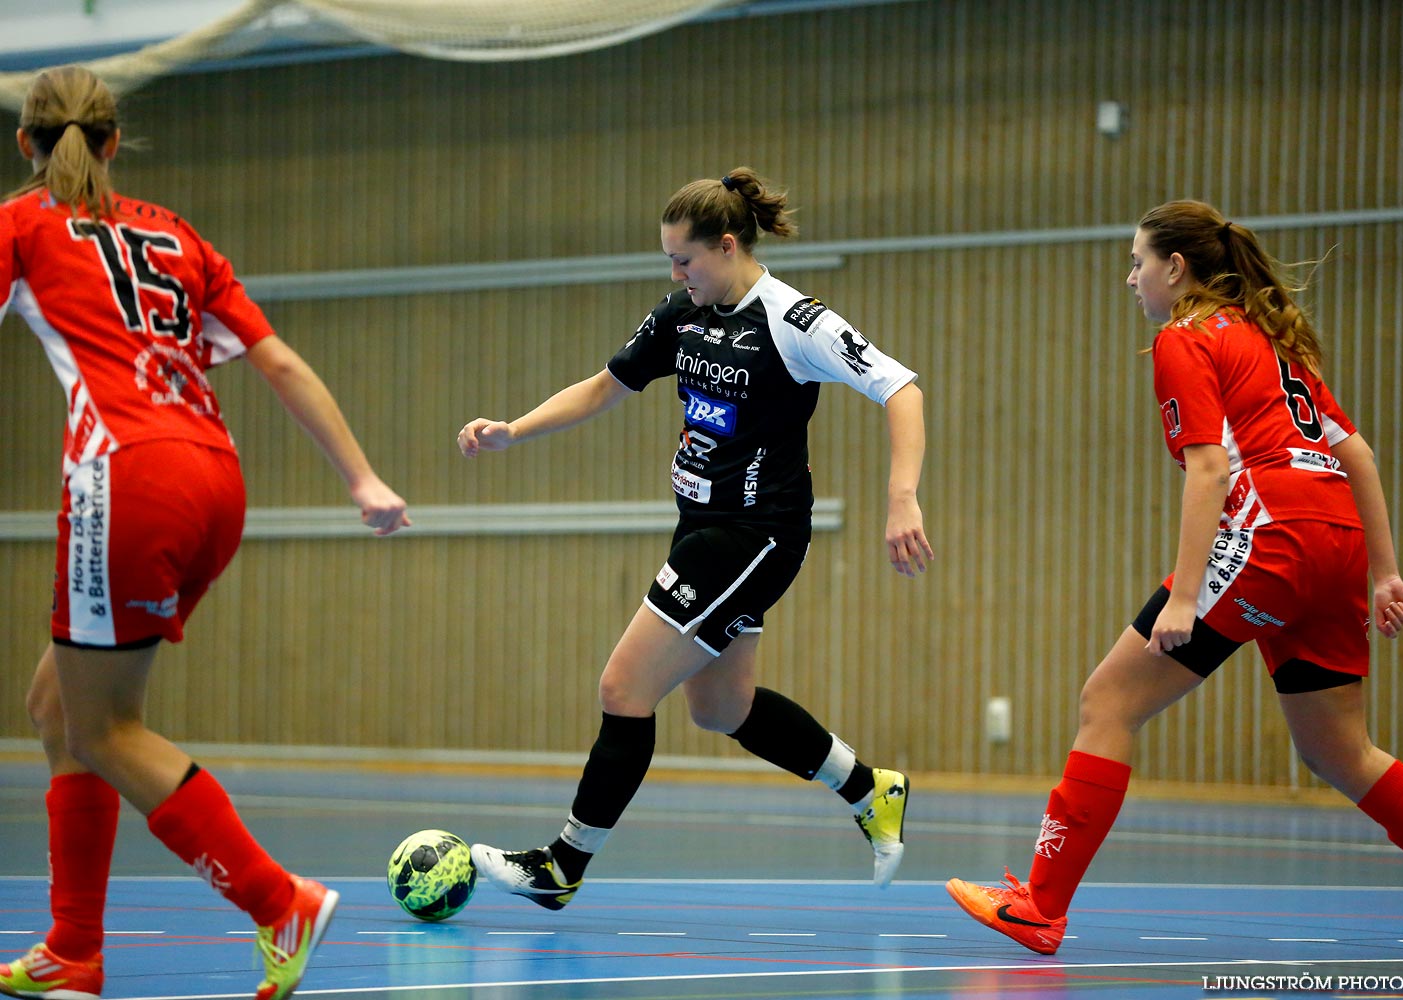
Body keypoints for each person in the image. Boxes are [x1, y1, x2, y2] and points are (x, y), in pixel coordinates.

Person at [946, 199, 1403, 958]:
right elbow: (1358, 455)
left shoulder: (1185, 336)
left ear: (1176, 270)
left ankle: (1039, 905)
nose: (1130, 278)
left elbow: (1209, 468)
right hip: (1336, 539)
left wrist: (1183, 594)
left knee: (1107, 701)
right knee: (1340, 751)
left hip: (1272, 536)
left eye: (1137, 262)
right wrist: (1384, 571)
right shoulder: (1276, 345)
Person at [0, 66, 410, 1000]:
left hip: (125, 477)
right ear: (112, 142)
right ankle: (72, 950)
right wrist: (362, 477)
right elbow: (278, 359)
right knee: (59, 708)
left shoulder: (19, 223)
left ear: (28, 145)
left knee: (103, 725)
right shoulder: (175, 233)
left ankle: (279, 902)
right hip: (215, 478)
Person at [457, 166, 933, 909]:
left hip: (756, 535)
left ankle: (562, 866)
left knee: (624, 686)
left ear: (729, 246)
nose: (676, 274)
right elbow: (605, 385)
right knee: (721, 708)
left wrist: (901, 497)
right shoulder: (680, 315)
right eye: (670, 261)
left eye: (685, 259)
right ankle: (870, 788)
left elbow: (900, 387)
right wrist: (512, 431)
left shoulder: (794, 322)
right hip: (700, 526)